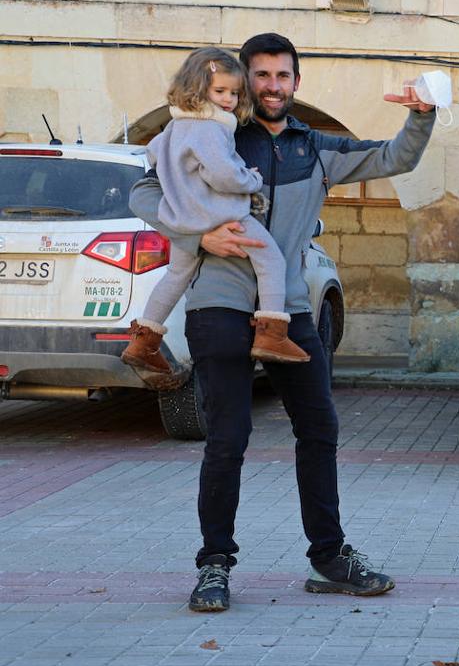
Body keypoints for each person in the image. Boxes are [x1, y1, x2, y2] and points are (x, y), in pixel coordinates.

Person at [129, 33, 437, 613]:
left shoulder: (316, 148)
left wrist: (422, 116)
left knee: (319, 431)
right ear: (244, 81)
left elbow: (394, 157)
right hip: (218, 303)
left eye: (283, 76)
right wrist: (196, 235)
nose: (272, 86)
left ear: (297, 82)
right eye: (261, 76)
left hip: (290, 308)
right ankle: (214, 565)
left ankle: (329, 557)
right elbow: (144, 189)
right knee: (228, 438)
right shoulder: (214, 130)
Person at [122, 48, 309, 385]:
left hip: (182, 217)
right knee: (272, 261)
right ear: (198, 89)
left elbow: (153, 153)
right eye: (220, 92)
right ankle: (272, 333)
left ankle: (144, 341)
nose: (228, 100)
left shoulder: (175, 126)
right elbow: (223, 174)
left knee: (176, 276)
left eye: (235, 93)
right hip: (221, 215)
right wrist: (250, 179)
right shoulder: (210, 128)